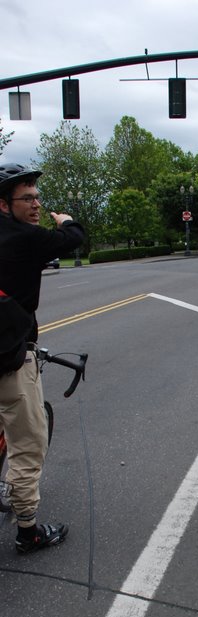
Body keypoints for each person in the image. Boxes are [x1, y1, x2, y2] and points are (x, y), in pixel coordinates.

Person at [0, 163, 84, 554]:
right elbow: (72, 238)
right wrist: (66, 219)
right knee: (29, 445)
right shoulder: (24, 238)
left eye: (36, 196)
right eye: (27, 198)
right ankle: (29, 531)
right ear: (4, 204)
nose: (35, 204)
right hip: (10, 360)